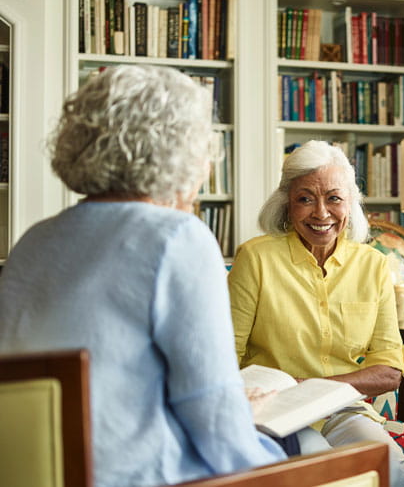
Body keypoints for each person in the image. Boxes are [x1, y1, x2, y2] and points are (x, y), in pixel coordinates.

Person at [0, 65, 288, 486]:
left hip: (35, 474)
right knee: (311, 448)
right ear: (181, 154)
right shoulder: (176, 237)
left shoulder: (33, 241)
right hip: (142, 475)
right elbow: (218, 429)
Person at [228, 140, 404, 487]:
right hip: (277, 412)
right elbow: (225, 355)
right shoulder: (255, 259)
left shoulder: (373, 265)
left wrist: (316, 389)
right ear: (287, 204)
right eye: (305, 198)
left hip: (343, 409)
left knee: (392, 469)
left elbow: (389, 371)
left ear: (350, 203)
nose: (321, 213)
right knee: (323, 473)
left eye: (333, 198)